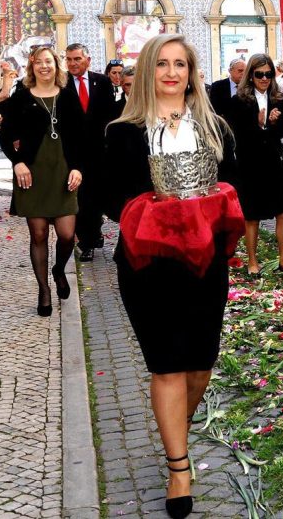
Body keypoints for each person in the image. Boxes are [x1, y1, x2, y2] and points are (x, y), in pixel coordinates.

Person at [102, 34, 237, 519]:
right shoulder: (123, 132)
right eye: (162, 63)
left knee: (199, 366)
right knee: (167, 366)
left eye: (181, 64)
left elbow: (233, 186)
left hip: (204, 263)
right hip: (149, 264)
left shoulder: (215, 128)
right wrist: (157, 205)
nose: (172, 72)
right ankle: (178, 467)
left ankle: (175, 425)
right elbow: (110, 198)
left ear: (192, 72)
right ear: (147, 71)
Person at [0, 46, 84, 316]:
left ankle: (59, 270)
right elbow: (5, 135)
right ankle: (44, 290)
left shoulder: (67, 96)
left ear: (56, 65)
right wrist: (17, 162)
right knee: (38, 235)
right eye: (39, 62)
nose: (44, 66)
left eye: (49, 61)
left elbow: (82, 137)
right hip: (32, 173)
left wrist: (78, 168)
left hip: (63, 172)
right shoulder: (21, 97)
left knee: (67, 235)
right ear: (32, 66)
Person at [225, 54, 283, 277]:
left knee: (282, 212)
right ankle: (252, 262)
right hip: (250, 164)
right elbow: (237, 136)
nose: (264, 78)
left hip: (273, 163)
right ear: (251, 75)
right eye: (259, 74)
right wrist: (258, 123)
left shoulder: (279, 99)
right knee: (252, 215)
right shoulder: (238, 101)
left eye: (268, 74)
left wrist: (272, 123)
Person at [66, 43, 117, 261]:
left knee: (96, 197)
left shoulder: (102, 82)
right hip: (73, 152)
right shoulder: (62, 83)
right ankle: (85, 242)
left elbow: (109, 115)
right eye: (69, 59)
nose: (73, 63)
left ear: (87, 60)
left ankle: (94, 232)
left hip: (99, 152)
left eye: (77, 59)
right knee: (81, 198)